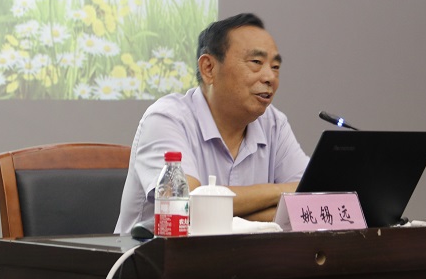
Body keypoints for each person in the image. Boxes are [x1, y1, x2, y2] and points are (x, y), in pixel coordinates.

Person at [115, 13, 309, 235]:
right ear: (208, 68)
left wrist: (222, 214)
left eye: (275, 67)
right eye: (256, 63)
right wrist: (284, 191)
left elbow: (310, 203)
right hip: (149, 254)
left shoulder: (274, 124)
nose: (270, 77)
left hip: (243, 256)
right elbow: (185, 205)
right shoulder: (166, 118)